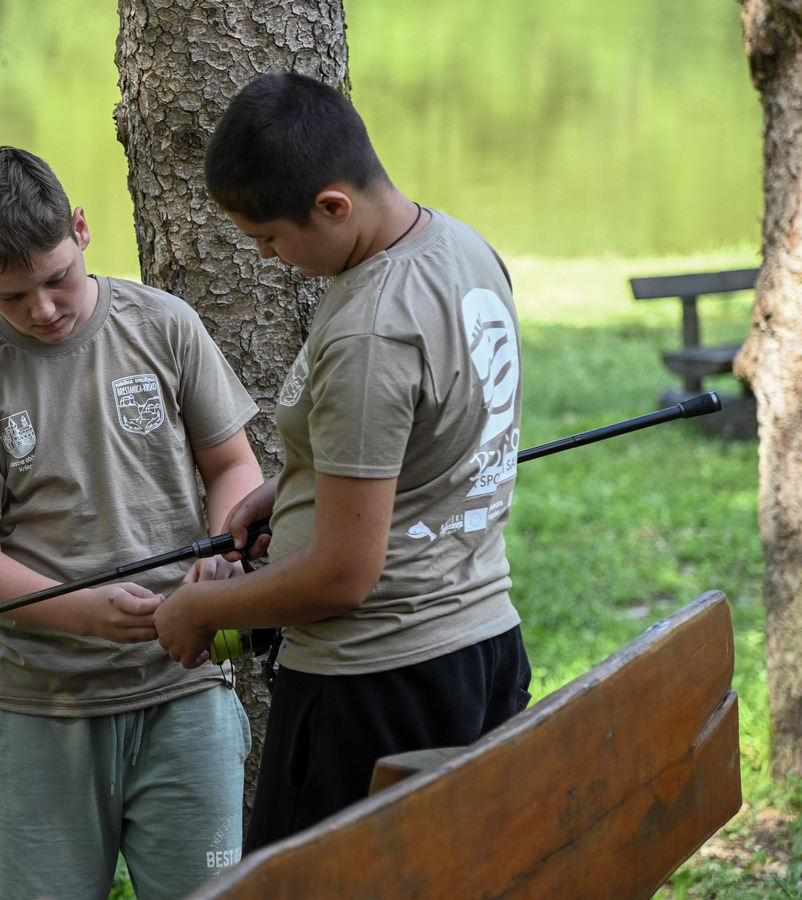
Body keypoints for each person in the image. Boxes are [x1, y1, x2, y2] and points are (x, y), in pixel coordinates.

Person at [154, 72, 532, 851]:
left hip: (376, 687)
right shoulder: (459, 247)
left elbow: (342, 576)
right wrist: (294, 484)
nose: (266, 256)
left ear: (333, 206)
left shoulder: (372, 331)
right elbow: (435, 436)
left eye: (269, 237)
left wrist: (200, 611)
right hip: (481, 647)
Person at [0, 145, 263, 899]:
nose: (42, 310)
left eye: (57, 279)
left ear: (80, 229)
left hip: (185, 689)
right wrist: (82, 613)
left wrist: (221, 558)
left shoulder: (164, 324)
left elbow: (233, 466)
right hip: (38, 703)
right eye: (11, 297)